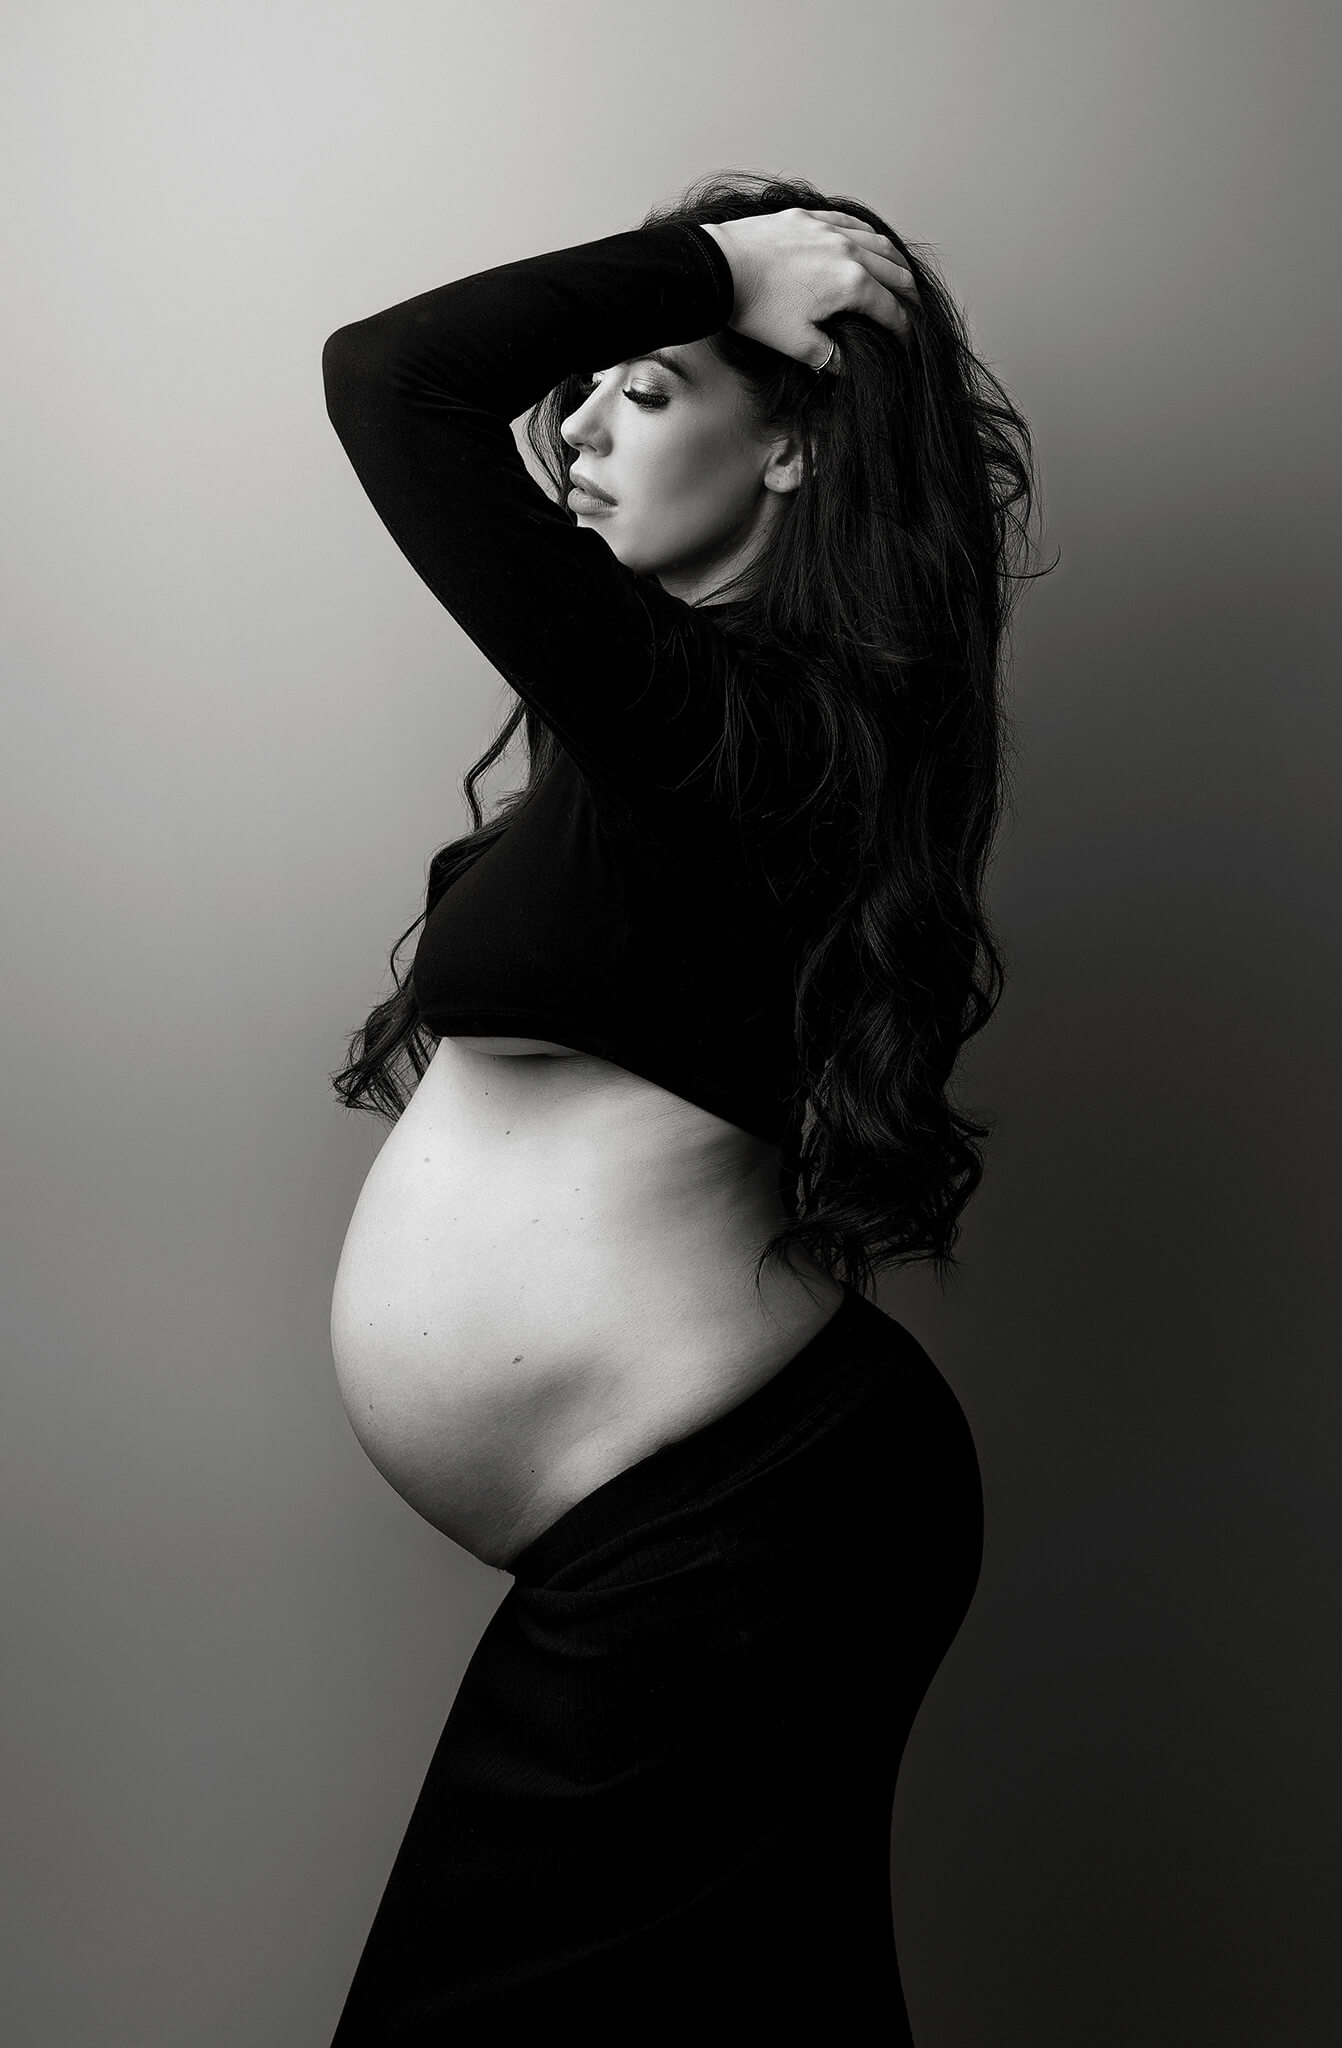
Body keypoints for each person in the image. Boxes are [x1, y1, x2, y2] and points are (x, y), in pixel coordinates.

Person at [320, 169, 1038, 2044]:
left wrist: (725, 268)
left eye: (648, 388)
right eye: (586, 394)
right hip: (718, 1537)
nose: (573, 430)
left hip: (740, 1533)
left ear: (792, 446)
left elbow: (388, 380)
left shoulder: (765, 725)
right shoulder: (684, 722)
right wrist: (699, 300)